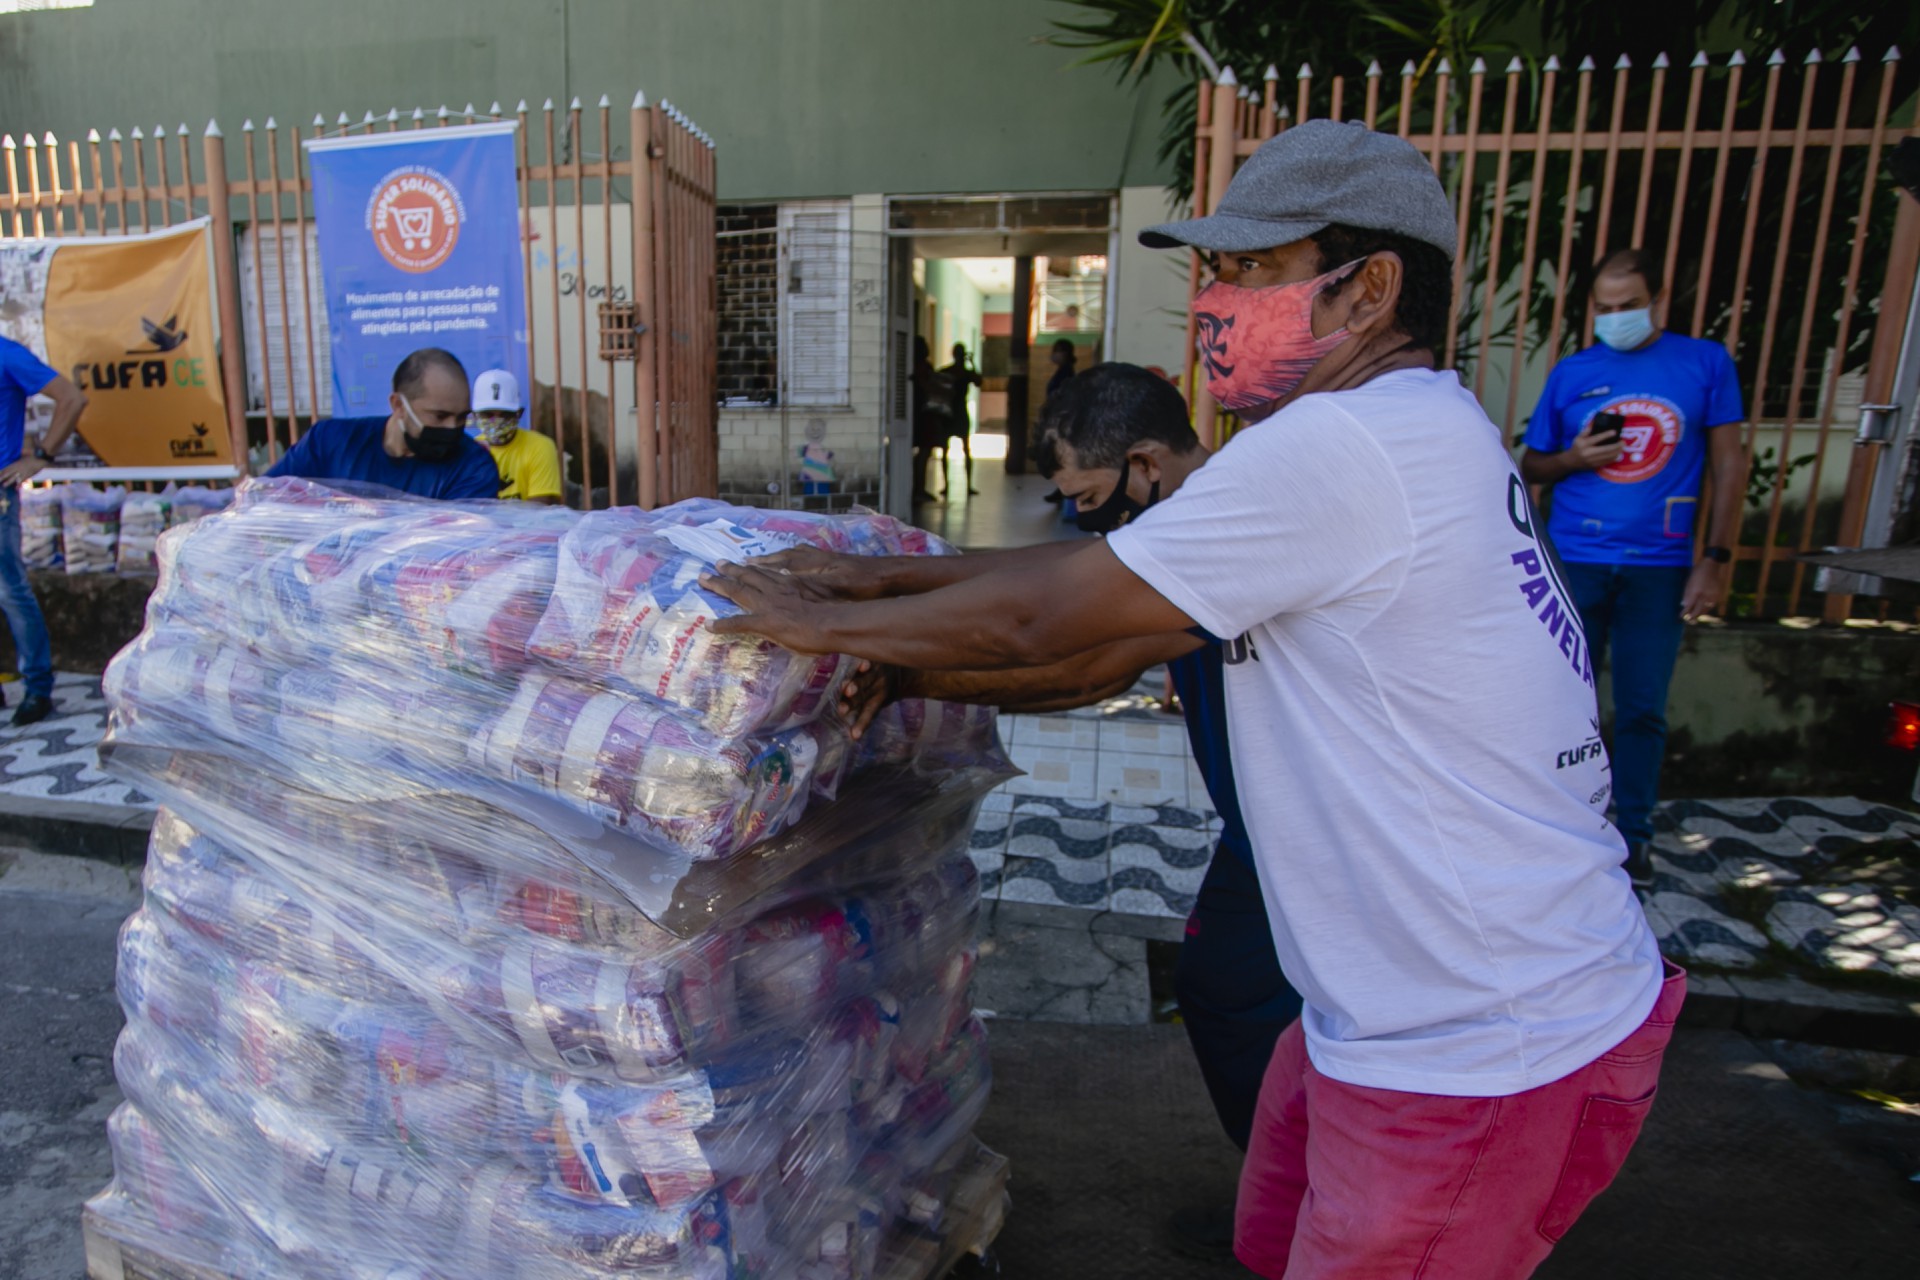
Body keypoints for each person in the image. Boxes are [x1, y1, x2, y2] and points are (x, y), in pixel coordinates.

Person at [703, 121, 1677, 1279]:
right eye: (1216, 271)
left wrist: (808, 628)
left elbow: (1049, 623)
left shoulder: (1347, 443)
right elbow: (1093, 624)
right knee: (1270, 1239)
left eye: (1255, 270)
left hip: (1476, 1044)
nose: (1217, 300)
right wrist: (875, 606)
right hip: (1403, 1014)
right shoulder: (1417, 430)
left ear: (1369, 289)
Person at [762, 362, 1301, 1261]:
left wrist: (850, 632)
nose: (1086, 517)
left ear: (1144, 464)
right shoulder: (1182, 521)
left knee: (1244, 1001)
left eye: (1091, 496)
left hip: (1305, 838)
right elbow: (1054, 573)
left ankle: (1303, 1209)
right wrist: (877, 586)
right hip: (1267, 829)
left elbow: (1073, 652)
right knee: (1242, 1002)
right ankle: (1291, 1195)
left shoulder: (1232, 531)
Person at [1521, 249, 1745, 888]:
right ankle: (1558, 830)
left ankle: (1635, 836)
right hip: (1575, 565)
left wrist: (1715, 559)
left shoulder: (1704, 364)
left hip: (1661, 568)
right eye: (1605, 309)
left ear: (1658, 300)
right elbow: (1532, 467)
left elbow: (1731, 464)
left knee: (1643, 709)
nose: (1616, 318)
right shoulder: (1574, 373)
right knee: (1561, 707)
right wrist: (1574, 458)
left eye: (1628, 307)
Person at [266, 347, 500, 501]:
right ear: (398, 405)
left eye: (461, 417)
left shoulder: (474, 468)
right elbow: (265, 497)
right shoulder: (329, 442)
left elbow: (454, 551)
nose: (452, 428)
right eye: (440, 416)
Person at [0, 335, 88, 727]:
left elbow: (72, 398)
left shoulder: (7, 353)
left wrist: (41, 457)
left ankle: (37, 688)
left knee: (11, 591)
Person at [470, 368, 562, 504]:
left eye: (505, 414)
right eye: (488, 414)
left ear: (519, 414)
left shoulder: (540, 447)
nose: (496, 421)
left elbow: (539, 510)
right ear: (474, 415)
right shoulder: (470, 452)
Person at [937, 343, 984, 497]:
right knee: (950, 450)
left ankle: (962, 485)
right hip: (952, 411)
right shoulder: (955, 372)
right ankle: (949, 485)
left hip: (956, 412)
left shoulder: (960, 372)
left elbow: (979, 382)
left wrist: (971, 364)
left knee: (961, 449)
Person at [909, 336, 947, 505]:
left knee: (923, 453)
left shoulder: (917, 366)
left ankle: (919, 488)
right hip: (922, 414)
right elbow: (928, 386)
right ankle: (918, 489)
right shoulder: (920, 368)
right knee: (923, 452)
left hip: (920, 413)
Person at [1042, 338, 1077, 506]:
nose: (1053, 355)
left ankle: (1063, 491)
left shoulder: (1067, 373)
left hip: (1062, 420)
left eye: (1057, 351)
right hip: (1058, 418)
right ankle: (1061, 491)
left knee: (1061, 457)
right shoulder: (1062, 371)